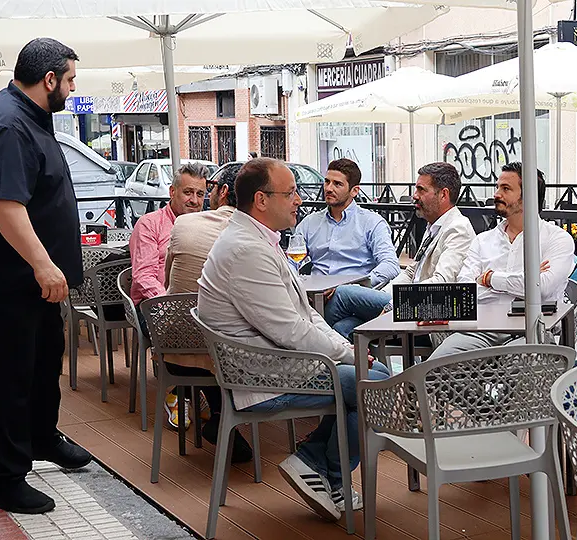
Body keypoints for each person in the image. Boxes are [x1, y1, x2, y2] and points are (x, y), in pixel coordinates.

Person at [197, 158, 391, 521]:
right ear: (261, 200)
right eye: (291, 193)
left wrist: (346, 351)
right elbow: (292, 330)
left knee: (373, 374)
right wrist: (349, 354)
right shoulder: (246, 249)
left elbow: (304, 314)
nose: (300, 199)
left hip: (270, 362)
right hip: (260, 376)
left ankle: (315, 462)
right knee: (373, 384)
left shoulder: (256, 239)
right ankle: (325, 470)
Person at [0, 38, 88, 514]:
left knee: (44, 360)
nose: (73, 89)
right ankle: (7, 479)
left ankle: (41, 437)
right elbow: (4, 204)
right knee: (12, 377)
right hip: (8, 281)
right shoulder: (6, 124)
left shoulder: (29, 117)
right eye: (69, 80)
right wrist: (43, 263)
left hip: (32, 282)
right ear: (48, 79)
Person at [428, 162, 576, 360]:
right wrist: (525, 279)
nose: (497, 194)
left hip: (531, 331)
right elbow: (464, 290)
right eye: (497, 187)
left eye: (506, 189)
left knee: (519, 368)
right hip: (480, 331)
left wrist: (489, 279)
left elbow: (542, 288)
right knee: (434, 369)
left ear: (528, 198)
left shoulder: (557, 239)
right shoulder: (483, 240)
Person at [323, 162, 476, 339]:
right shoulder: (434, 225)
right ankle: (360, 365)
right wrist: (384, 296)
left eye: (421, 190)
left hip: (432, 313)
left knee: (343, 293)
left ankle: (319, 358)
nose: (414, 196)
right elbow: (412, 272)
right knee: (344, 327)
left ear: (443, 194)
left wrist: (395, 302)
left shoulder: (458, 229)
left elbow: (441, 282)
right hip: (410, 304)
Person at [163, 162, 251, 462]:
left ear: (223, 192)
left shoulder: (183, 224)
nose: (202, 197)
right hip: (230, 355)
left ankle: (218, 416)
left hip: (175, 352)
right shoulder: (255, 237)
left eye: (207, 190)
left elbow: (166, 282)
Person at [130, 162, 207, 431]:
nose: (194, 200)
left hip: (198, 305)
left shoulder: (206, 226)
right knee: (186, 330)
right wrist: (171, 305)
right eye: (188, 192)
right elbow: (143, 276)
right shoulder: (150, 224)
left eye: (200, 194)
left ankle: (208, 395)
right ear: (172, 192)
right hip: (152, 304)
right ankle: (181, 393)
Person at [294, 158, 400, 290]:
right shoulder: (309, 223)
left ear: (354, 191)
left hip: (353, 295)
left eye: (337, 184)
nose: (329, 188)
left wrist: (357, 285)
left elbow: (390, 265)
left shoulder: (371, 222)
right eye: (327, 182)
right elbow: (291, 261)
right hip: (314, 294)